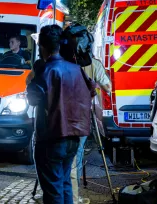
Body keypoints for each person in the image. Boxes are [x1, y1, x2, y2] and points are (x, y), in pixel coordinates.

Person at [26, 25, 92, 204]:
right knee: (64, 184)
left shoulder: (46, 70)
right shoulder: (76, 69)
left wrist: (36, 74)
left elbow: (33, 98)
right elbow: (90, 91)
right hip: (74, 137)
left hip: (51, 138)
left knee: (53, 191)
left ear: (42, 47)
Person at [71, 56, 112, 204]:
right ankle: (73, 198)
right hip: (81, 117)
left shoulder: (59, 60)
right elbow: (108, 87)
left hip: (58, 117)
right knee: (76, 155)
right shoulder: (94, 64)